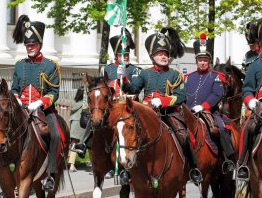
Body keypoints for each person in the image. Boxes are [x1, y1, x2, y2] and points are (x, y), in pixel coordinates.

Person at [117, 27, 199, 182]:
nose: (164, 56)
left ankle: (193, 168)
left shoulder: (175, 74)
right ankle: (127, 170)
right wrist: (124, 78)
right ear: (152, 56)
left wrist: (163, 101)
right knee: (128, 134)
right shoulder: (145, 73)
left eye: (166, 54)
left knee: (183, 134)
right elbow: (133, 89)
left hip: (168, 114)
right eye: (160, 54)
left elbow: (181, 97)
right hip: (146, 112)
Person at [73, 29, 140, 181]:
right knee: (96, 118)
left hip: (127, 106)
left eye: (127, 55)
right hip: (112, 106)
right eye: (122, 55)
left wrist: (126, 82)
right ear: (116, 56)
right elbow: (102, 89)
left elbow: (136, 88)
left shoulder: (135, 70)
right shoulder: (108, 69)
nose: (125, 57)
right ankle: (84, 143)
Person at [11, 14, 62, 191]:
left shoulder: (50, 65)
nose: (30, 48)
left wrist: (39, 103)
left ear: (39, 45)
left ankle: (51, 174)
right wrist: (16, 97)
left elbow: (54, 92)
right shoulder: (19, 65)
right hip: (21, 109)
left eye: (32, 45)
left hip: (43, 110)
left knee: (55, 135)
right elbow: (15, 88)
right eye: (27, 45)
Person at [184, 33, 235, 174]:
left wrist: (203, 106)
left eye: (205, 60)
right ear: (196, 61)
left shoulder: (217, 76)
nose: (202, 62)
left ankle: (227, 159)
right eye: (200, 59)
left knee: (221, 128)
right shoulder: (188, 78)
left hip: (208, 112)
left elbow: (217, 94)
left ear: (209, 61)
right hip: (189, 113)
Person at [236, 16, 262, 180]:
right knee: (247, 128)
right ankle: (243, 164)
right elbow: (247, 90)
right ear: (261, 45)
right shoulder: (254, 66)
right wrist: (250, 100)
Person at [68, 87, 87, 173]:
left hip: (73, 123)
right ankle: (72, 165)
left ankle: (71, 164)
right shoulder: (84, 103)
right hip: (80, 124)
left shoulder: (74, 102)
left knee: (73, 144)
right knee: (82, 143)